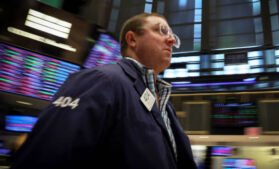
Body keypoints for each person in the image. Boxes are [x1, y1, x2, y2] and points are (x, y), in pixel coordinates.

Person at [10, 13, 197, 169]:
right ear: (132, 39)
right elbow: (44, 158)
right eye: (161, 30)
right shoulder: (102, 79)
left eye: (173, 35)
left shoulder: (165, 104)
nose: (172, 40)